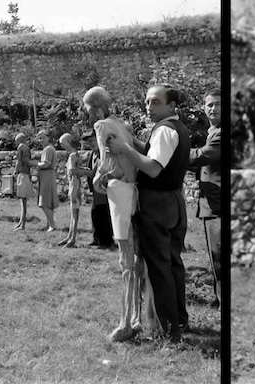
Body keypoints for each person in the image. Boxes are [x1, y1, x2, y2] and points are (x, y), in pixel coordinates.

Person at [107, 84, 191, 343]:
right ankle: (179, 320)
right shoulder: (176, 128)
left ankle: (169, 333)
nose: (148, 107)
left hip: (158, 204)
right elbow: (155, 153)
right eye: (146, 102)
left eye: (155, 102)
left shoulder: (165, 130)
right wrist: (132, 142)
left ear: (171, 106)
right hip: (174, 201)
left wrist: (125, 150)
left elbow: (153, 168)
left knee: (159, 269)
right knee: (173, 263)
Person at [84, 86, 158, 343]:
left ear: (94, 107)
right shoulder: (122, 124)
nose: (88, 114)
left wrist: (98, 178)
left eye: (88, 109)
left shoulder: (102, 126)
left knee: (126, 261)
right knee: (136, 258)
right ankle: (138, 317)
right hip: (133, 191)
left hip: (119, 193)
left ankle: (126, 323)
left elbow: (109, 164)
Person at [188, 88, 222, 309]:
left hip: (219, 205)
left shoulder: (221, 133)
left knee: (220, 255)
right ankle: (219, 298)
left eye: (218, 104)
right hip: (211, 204)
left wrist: (176, 151)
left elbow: (205, 156)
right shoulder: (213, 131)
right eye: (210, 104)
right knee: (215, 256)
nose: (214, 108)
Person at [81, 130, 114, 248]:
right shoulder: (92, 154)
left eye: (92, 141)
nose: (90, 144)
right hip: (96, 190)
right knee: (95, 214)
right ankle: (97, 238)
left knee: (104, 214)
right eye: (88, 142)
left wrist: (81, 171)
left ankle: (107, 241)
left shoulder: (103, 153)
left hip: (104, 189)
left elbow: (97, 172)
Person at [57, 133, 84, 248]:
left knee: (75, 213)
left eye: (63, 143)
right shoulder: (74, 155)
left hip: (75, 186)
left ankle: (72, 237)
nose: (63, 146)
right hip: (73, 186)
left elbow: (74, 174)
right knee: (73, 213)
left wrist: (73, 191)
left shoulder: (73, 156)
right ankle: (70, 235)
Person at [34, 130, 59, 231]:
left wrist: (35, 163)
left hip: (47, 175)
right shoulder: (49, 148)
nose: (41, 140)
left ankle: (52, 225)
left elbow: (46, 164)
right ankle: (49, 223)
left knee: (44, 201)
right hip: (48, 175)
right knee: (48, 201)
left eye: (43, 137)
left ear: (48, 137)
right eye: (39, 138)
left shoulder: (48, 149)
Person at [13, 133, 34, 231]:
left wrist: (16, 170)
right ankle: (21, 221)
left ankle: (22, 224)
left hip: (23, 174)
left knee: (23, 200)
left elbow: (20, 161)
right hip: (26, 174)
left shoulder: (21, 147)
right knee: (23, 201)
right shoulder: (27, 148)